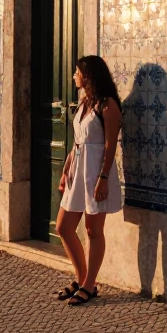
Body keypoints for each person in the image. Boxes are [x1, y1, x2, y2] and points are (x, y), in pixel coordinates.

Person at [55, 55, 122, 306]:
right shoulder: (84, 103)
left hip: (96, 173)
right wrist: (65, 169)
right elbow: (77, 142)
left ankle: (90, 284)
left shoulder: (108, 106)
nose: (74, 75)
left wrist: (103, 178)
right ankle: (82, 278)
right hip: (77, 170)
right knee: (63, 226)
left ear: (89, 75)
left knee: (94, 231)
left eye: (77, 71)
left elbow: (110, 145)